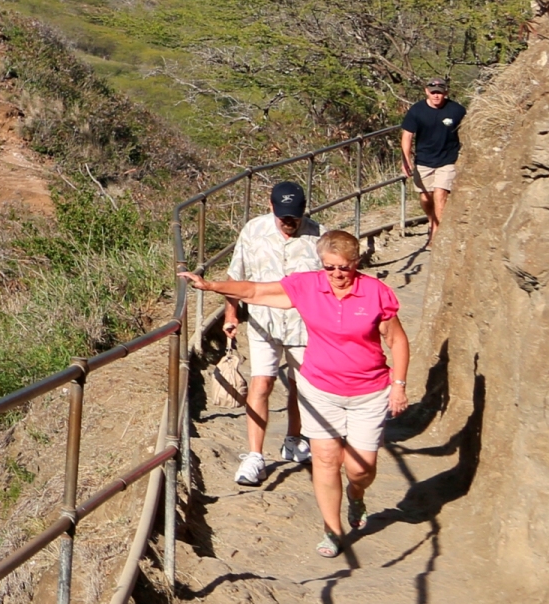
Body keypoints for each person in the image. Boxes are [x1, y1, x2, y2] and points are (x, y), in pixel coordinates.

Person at [184, 230, 410, 558]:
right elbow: (256, 290)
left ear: (355, 263)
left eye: (342, 268)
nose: (335, 274)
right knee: (326, 458)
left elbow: (398, 340)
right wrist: (212, 286)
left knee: (361, 468)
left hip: (369, 391)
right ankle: (331, 530)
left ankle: (356, 494)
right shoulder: (308, 285)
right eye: (329, 267)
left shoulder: (375, 293)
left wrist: (399, 386)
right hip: (320, 388)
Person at [222, 181, 321, 486]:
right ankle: (255, 455)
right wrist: (231, 313)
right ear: (271, 206)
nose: (289, 223)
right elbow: (235, 275)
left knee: (300, 386)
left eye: (294, 217)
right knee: (261, 383)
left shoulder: (320, 234)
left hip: (305, 325)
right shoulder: (253, 231)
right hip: (263, 321)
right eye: (283, 217)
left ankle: (294, 440)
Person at [401, 78, 467, 245]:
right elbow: (407, 135)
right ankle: (432, 221)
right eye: (433, 92)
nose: (436, 95)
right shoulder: (417, 111)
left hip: (447, 160)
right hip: (424, 160)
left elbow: (468, 130)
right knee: (425, 198)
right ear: (426, 92)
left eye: (439, 92)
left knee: (440, 194)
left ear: (446, 92)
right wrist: (405, 159)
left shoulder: (456, 110)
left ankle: (436, 236)